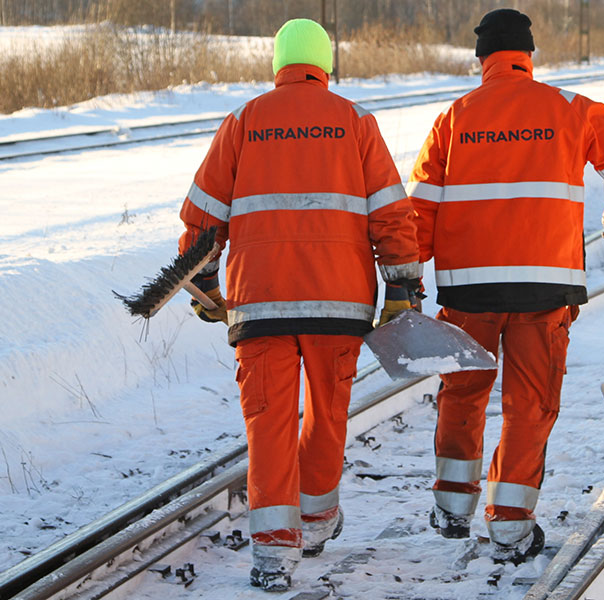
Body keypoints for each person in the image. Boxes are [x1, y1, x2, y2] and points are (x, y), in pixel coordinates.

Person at [176, 18, 420, 592]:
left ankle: (271, 554)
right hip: (339, 305)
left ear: (279, 63)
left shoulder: (243, 121)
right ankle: (315, 521)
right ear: (326, 64)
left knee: (269, 423)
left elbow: (200, 220)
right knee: (328, 413)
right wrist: (402, 290)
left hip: (259, 305)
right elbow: (391, 214)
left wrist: (208, 290)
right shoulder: (356, 122)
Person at [406, 8, 604, 565]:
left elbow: (417, 214)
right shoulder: (570, 110)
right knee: (530, 405)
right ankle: (511, 528)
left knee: (463, 393)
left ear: (481, 60)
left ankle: (451, 508)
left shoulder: (455, 117)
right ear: (529, 57)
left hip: (468, 294)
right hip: (545, 292)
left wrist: (406, 279)